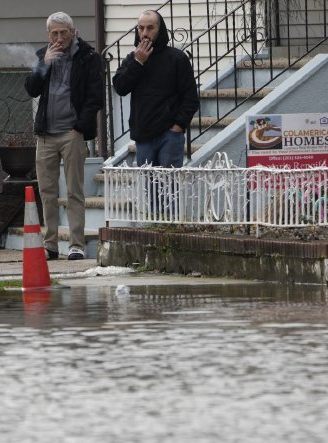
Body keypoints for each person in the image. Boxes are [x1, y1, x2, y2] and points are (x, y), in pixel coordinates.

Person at [25, 12, 104, 261]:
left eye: (64, 32)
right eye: (55, 33)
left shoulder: (89, 57)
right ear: (48, 35)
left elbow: (95, 97)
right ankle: (50, 245)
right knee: (47, 191)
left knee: (73, 191)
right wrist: (44, 65)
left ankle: (76, 245)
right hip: (46, 134)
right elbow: (31, 89)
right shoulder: (43, 55)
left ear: (73, 32)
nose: (60, 37)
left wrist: (80, 128)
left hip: (72, 133)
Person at [112, 10, 200, 168]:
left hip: (170, 134)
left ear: (160, 29)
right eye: (141, 28)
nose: (145, 33)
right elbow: (120, 87)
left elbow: (190, 98)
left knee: (169, 189)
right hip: (143, 135)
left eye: (150, 28)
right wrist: (138, 62)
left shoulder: (177, 58)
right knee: (149, 188)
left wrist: (178, 126)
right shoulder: (132, 59)